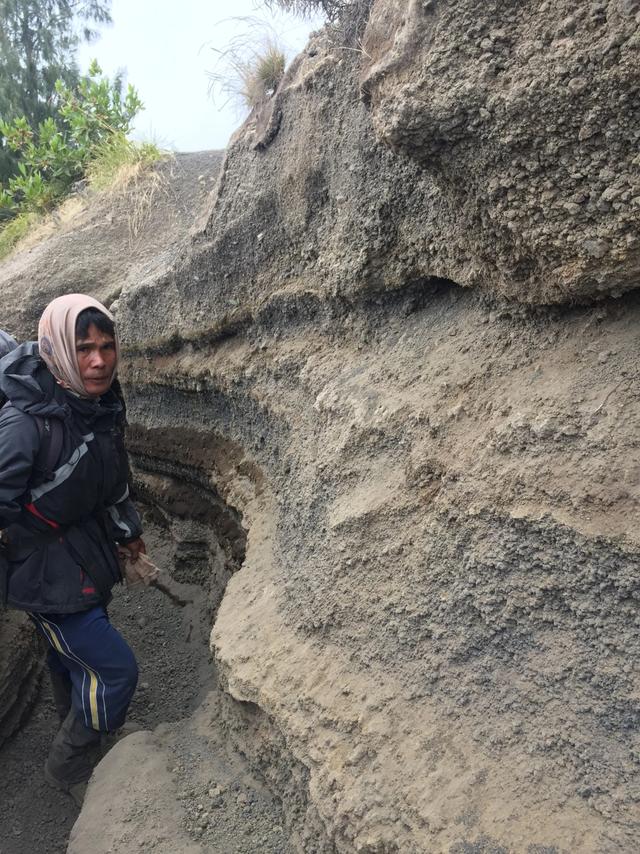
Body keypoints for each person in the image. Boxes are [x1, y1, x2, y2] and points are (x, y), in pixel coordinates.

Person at [0, 294, 145, 806]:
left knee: (71, 660)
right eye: (84, 348)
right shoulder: (24, 424)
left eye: (107, 346)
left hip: (85, 556)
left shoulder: (99, 402)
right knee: (115, 670)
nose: (100, 360)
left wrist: (128, 532)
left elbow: (112, 475)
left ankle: (73, 717)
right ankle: (70, 764)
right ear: (56, 348)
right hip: (47, 579)